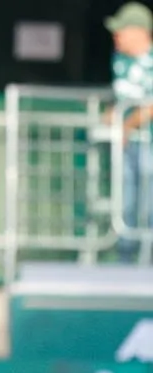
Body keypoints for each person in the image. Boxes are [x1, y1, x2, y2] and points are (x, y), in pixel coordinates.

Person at [107, 2, 153, 261]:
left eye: (121, 30)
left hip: (149, 143)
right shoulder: (120, 60)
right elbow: (124, 98)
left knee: (149, 204)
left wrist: (126, 125)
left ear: (138, 31)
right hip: (127, 145)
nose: (116, 35)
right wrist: (112, 115)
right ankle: (126, 262)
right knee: (125, 203)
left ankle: (147, 262)